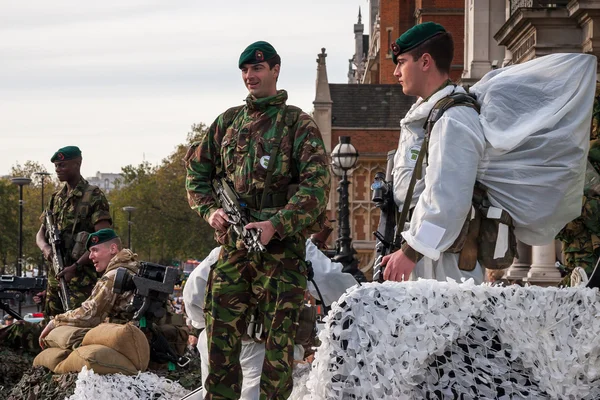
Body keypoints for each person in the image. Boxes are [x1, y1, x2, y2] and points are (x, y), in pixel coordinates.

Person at [184, 41, 330, 399]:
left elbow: (317, 188)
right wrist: (210, 211)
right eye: (246, 71)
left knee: (277, 356)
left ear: (275, 70)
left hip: (280, 256)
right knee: (219, 347)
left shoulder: (298, 124)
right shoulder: (227, 123)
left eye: (258, 69)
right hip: (234, 251)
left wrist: (275, 225)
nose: (251, 76)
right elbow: (196, 176)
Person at [381, 22, 485, 284]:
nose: (395, 72)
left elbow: (449, 198)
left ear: (425, 61)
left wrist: (412, 251)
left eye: (401, 62)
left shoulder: (453, 117)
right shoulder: (431, 114)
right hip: (426, 255)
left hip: (443, 264)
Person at [35, 146, 112, 317]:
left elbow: (103, 238)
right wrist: (46, 249)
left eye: (62, 165)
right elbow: (40, 234)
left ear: (77, 164)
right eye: (56, 166)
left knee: (77, 329)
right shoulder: (56, 198)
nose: (57, 170)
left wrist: (76, 266)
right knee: (51, 329)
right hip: (56, 279)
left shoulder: (93, 196)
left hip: (82, 281)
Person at [38, 228, 139, 347]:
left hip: (132, 340)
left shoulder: (114, 275)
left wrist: (55, 322)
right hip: (142, 337)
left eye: (95, 250)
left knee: (76, 339)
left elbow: (90, 315)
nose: (90, 256)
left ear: (113, 249)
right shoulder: (133, 268)